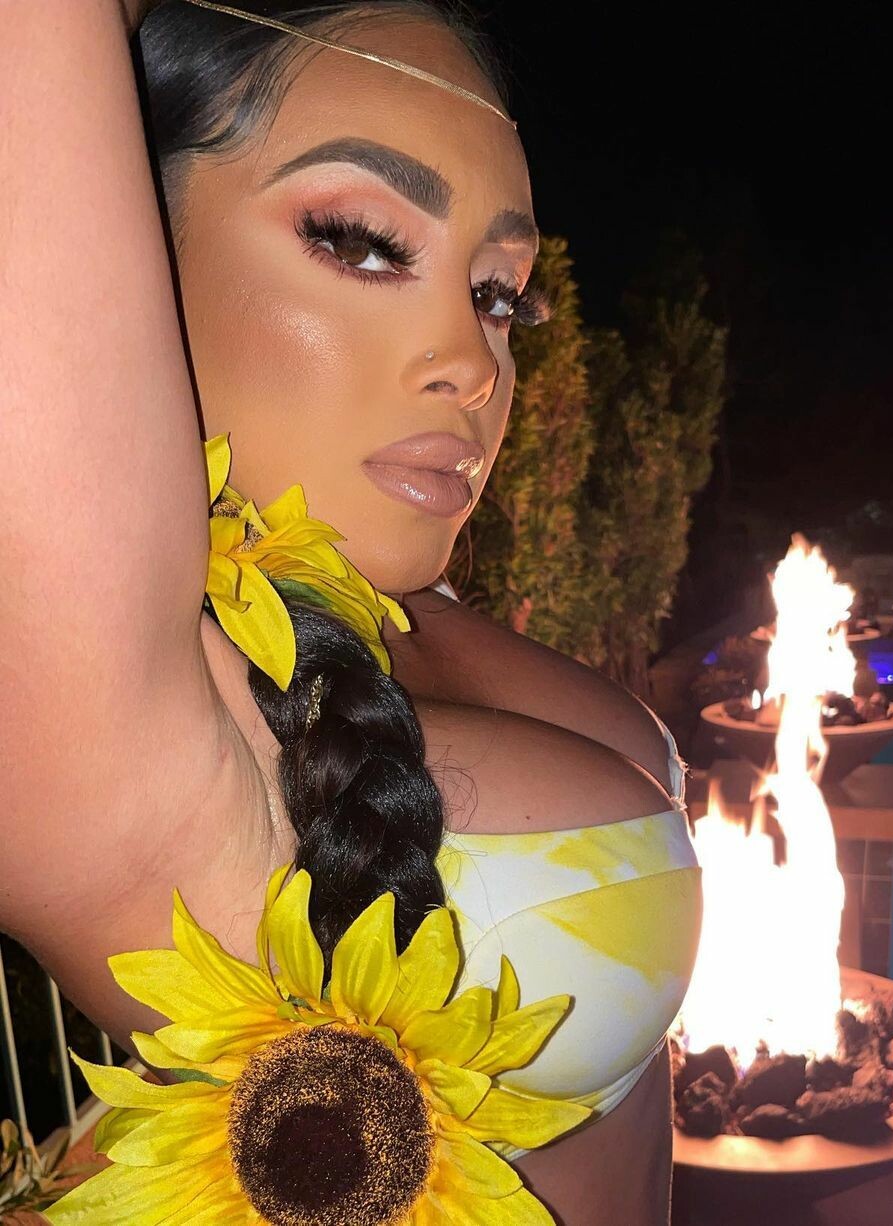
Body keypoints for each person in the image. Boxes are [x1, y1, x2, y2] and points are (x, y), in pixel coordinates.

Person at [0, 2, 702, 1223]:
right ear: (122, 245)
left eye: (500, 293)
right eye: (366, 243)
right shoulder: (117, 715)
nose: (476, 365)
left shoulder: (387, 605)